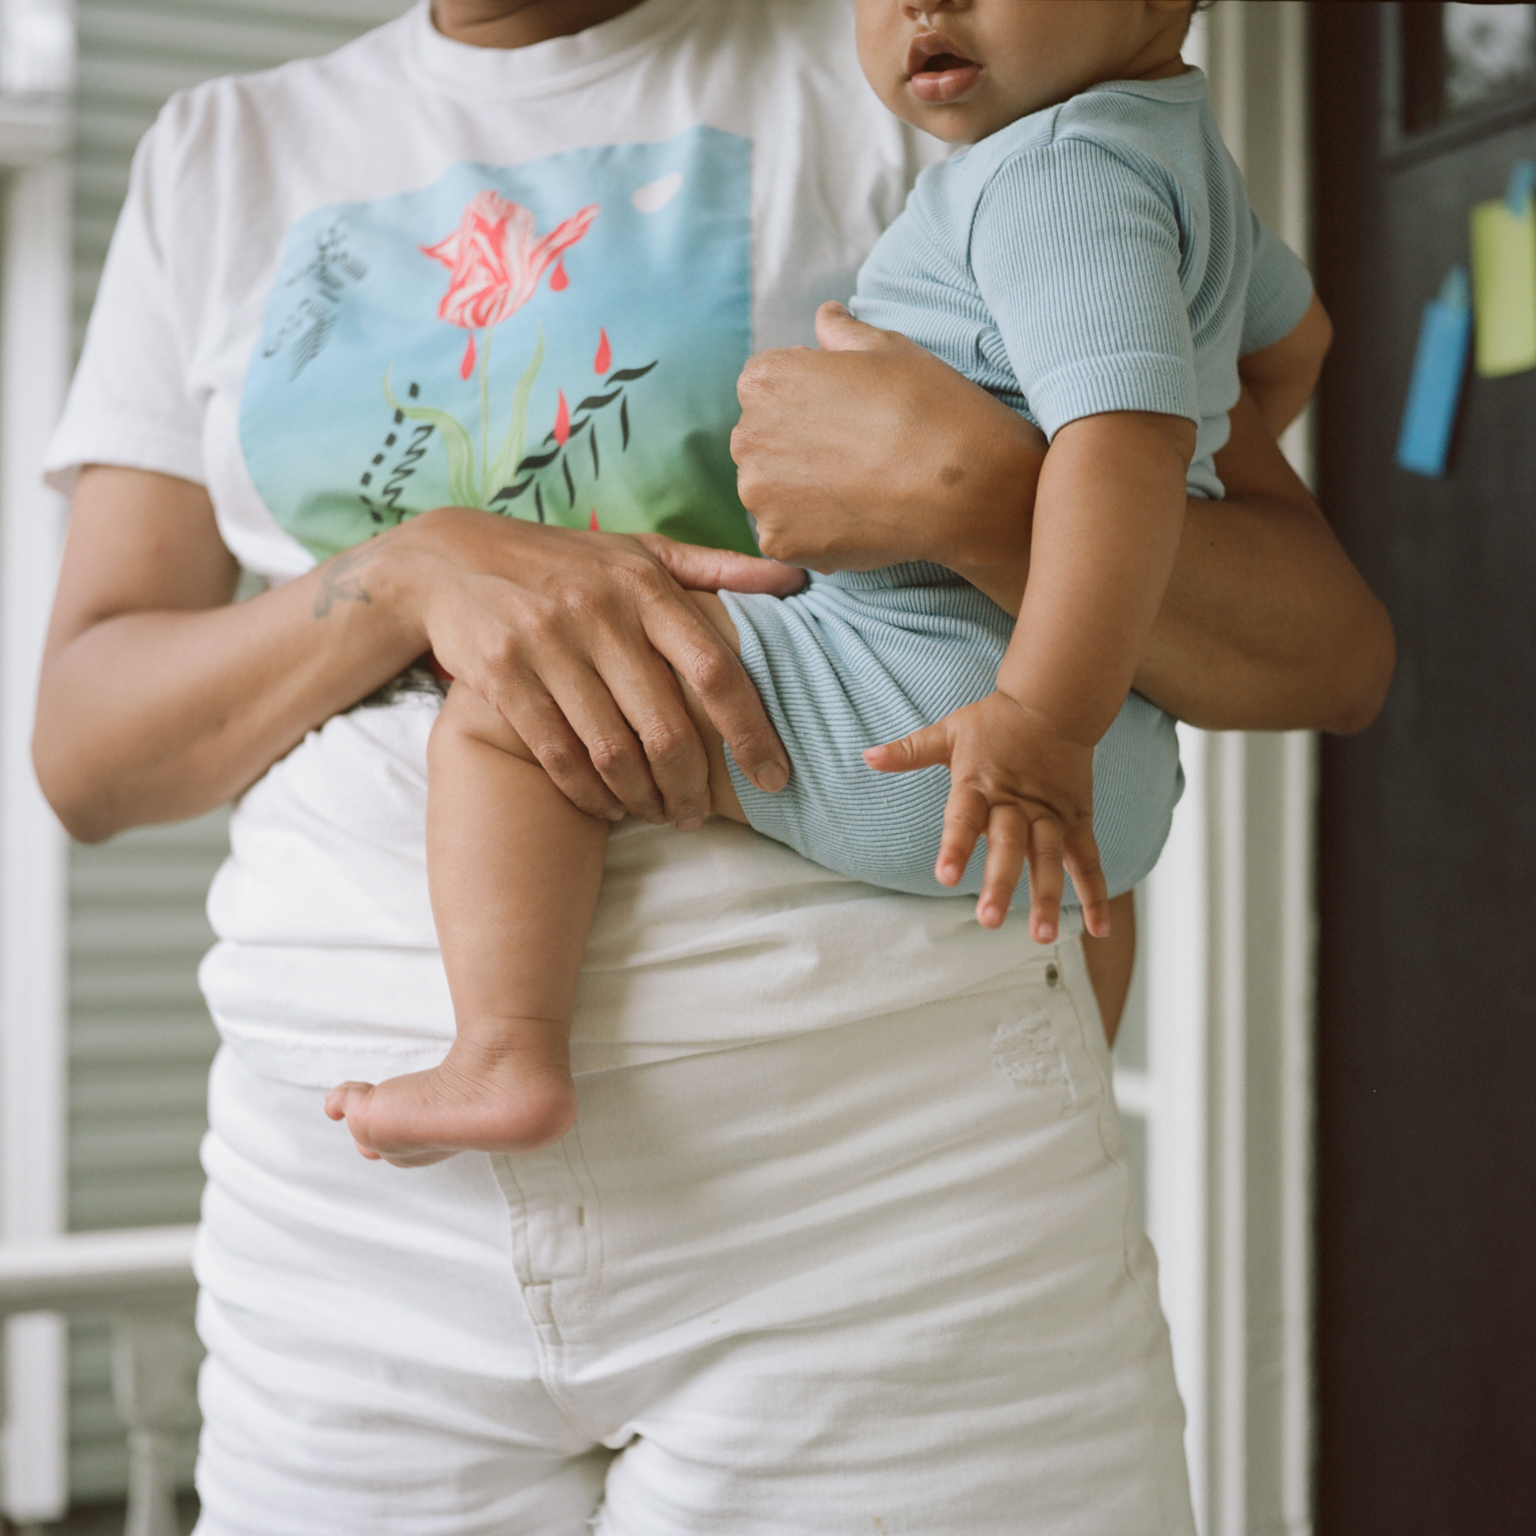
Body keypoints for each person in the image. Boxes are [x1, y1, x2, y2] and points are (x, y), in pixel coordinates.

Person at [33, 1, 1392, 1531]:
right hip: (351, 1222)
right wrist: (410, 578)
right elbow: (89, 754)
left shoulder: (941, 76)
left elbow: (1326, 654)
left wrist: (973, 497)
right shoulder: (219, 154)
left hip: (883, 1197)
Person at [322, 0, 1331, 1169]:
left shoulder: (1052, 174)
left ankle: (502, 1051)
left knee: (508, 703)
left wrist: (1046, 713)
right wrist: (1159, 508)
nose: (922, 6)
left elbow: (1124, 448)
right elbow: (1292, 349)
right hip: (1105, 747)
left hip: (956, 719)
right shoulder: (1176, 147)